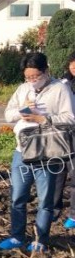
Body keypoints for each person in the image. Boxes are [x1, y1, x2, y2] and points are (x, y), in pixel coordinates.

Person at [0, 53, 75, 252]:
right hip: (22, 151)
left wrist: (44, 119)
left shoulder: (60, 88)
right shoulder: (23, 89)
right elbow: (8, 114)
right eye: (28, 77)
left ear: (46, 71)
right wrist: (23, 110)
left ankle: (40, 239)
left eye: (36, 76)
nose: (32, 80)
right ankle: (16, 236)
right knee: (17, 196)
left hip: (49, 152)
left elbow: (70, 118)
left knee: (46, 199)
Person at [53, 52, 75, 229]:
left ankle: (74, 214)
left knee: (74, 176)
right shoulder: (62, 84)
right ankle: (53, 208)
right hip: (61, 135)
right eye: (71, 63)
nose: (73, 66)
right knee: (57, 172)